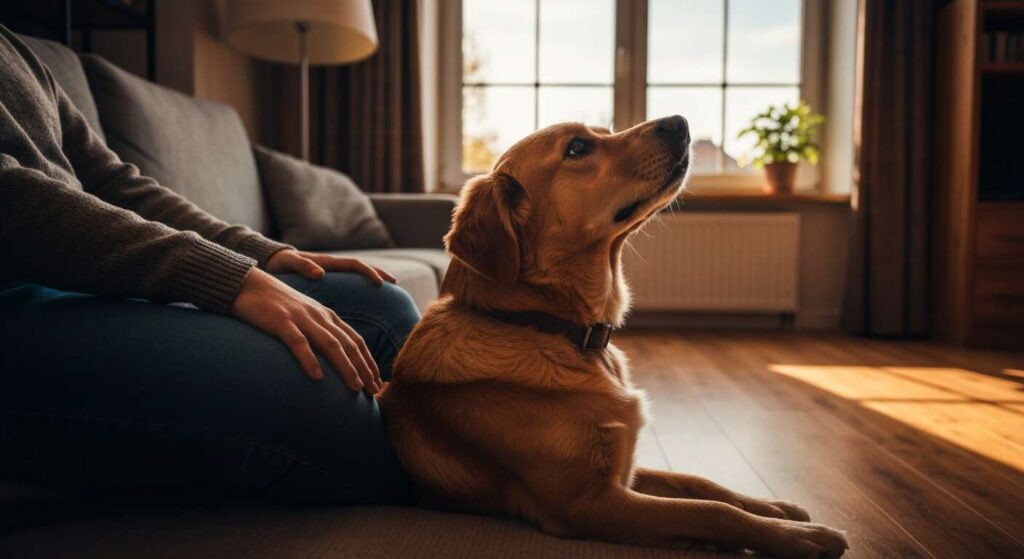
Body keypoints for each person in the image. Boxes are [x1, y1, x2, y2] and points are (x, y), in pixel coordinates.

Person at [0, 26, 417, 504]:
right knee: (326, 401)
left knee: (380, 306)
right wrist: (229, 278)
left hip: (84, 280)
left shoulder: (15, 48)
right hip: (15, 301)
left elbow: (112, 182)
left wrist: (263, 254)